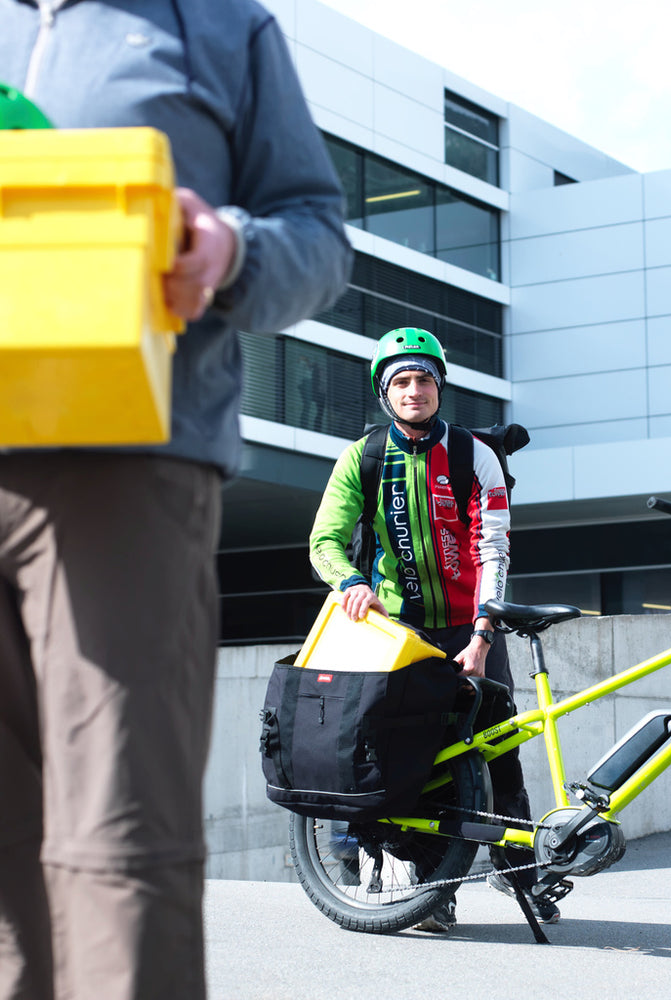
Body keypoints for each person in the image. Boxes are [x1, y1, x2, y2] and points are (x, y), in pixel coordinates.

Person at [0, 3, 353, 999]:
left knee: (119, 843)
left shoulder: (219, 26)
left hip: (130, 469)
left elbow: (320, 236)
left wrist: (231, 251)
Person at [309, 327, 568, 932]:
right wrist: (350, 582)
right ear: (385, 393)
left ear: (439, 387)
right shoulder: (364, 456)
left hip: (471, 625)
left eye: (424, 378)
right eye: (401, 380)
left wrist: (482, 634)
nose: (414, 389)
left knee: (499, 750)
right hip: (401, 635)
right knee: (414, 759)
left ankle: (524, 879)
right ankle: (433, 892)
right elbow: (324, 540)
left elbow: (494, 549)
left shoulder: (474, 454)